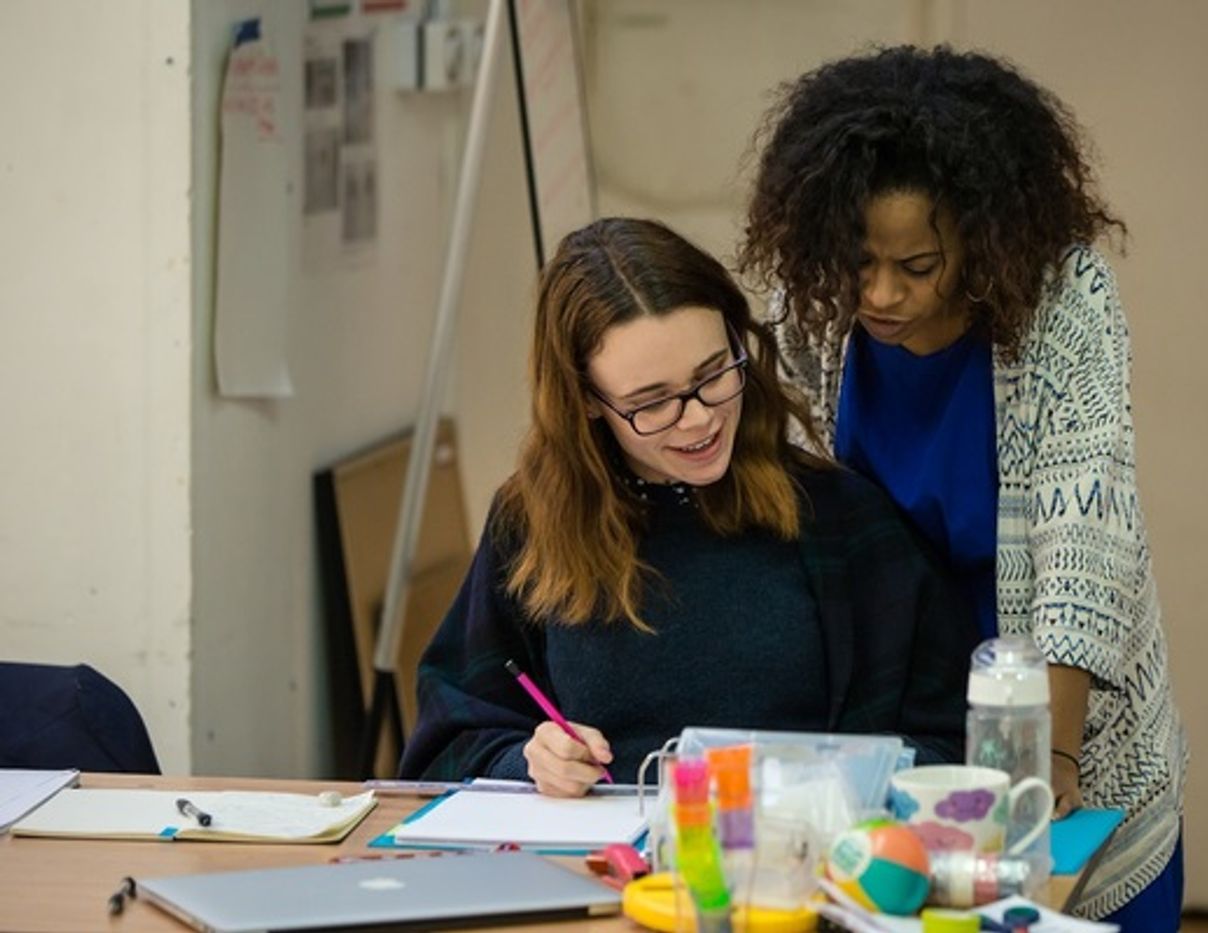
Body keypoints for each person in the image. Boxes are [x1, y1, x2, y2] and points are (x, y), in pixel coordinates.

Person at [737, 46, 1187, 927]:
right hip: (899, 706)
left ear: (979, 248)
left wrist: (1050, 755)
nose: (880, 292)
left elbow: (1084, 536)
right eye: (861, 261)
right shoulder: (817, 309)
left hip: (1057, 699)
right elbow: (787, 512)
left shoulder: (1059, 301)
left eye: (917, 266)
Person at [400, 217, 977, 797]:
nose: (700, 419)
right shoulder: (533, 525)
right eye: (652, 403)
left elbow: (954, 742)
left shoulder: (842, 520)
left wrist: (848, 782)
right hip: (606, 875)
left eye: (714, 374)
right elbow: (445, 745)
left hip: (794, 871)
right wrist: (527, 764)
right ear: (587, 401)